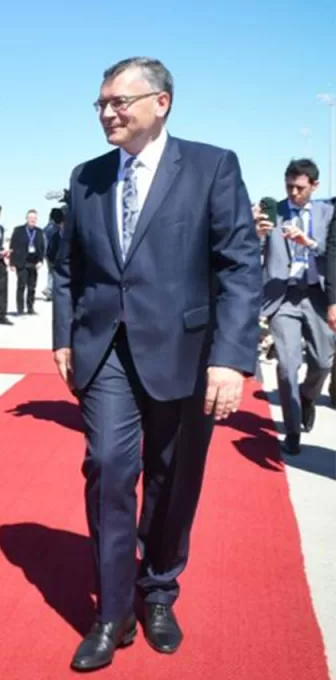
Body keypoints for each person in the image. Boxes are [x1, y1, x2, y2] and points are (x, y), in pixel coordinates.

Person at [51, 57, 260, 672]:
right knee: (109, 468)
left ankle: (160, 588)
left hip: (186, 353)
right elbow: (69, 267)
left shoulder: (210, 166)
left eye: (120, 101)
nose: (108, 112)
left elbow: (239, 266)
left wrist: (230, 358)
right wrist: (64, 335)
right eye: (101, 104)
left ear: (161, 102)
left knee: (172, 479)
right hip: (105, 351)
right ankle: (112, 611)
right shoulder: (86, 177)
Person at [259, 159, 333, 456]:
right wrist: (257, 234)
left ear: (314, 186)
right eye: (288, 186)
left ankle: (308, 396)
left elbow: (333, 252)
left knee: (324, 362)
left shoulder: (329, 213)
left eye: (300, 188)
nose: (293, 193)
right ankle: (291, 431)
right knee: (288, 366)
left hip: (317, 295)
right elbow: (250, 253)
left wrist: (310, 243)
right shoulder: (273, 212)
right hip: (283, 296)